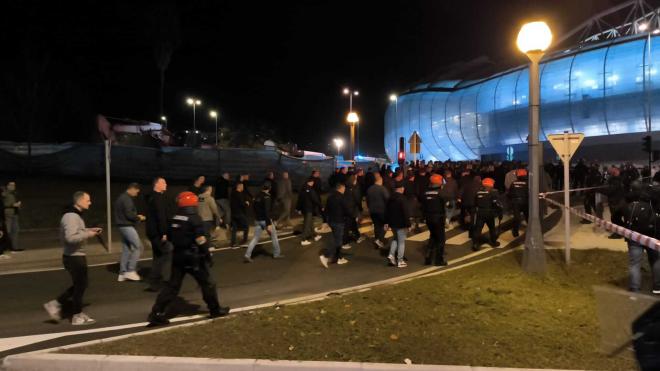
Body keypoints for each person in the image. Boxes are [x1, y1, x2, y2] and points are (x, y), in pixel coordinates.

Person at [147, 192, 230, 326]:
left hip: (178, 256)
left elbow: (168, 235)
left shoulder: (175, 218)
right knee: (208, 283)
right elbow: (200, 240)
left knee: (173, 286)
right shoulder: (195, 219)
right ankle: (215, 309)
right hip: (193, 258)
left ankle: (156, 313)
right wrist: (207, 255)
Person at [43, 191, 102, 325]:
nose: (90, 203)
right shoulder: (71, 216)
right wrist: (88, 234)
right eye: (88, 200)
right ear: (79, 201)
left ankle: (59, 305)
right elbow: (70, 238)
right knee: (80, 285)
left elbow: (77, 232)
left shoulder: (75, 216)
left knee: (81, 285)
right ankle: (75, 316)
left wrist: (89, 230)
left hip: (77, 255)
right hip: (73, 257)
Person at [622, 185, 660, 295]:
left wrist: (623, 228)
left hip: (634, 238)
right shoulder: (655, 207)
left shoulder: (628, 206)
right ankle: (657, 287)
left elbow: (616, 216)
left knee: (635, 263)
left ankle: (635, 288)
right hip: (652, 238)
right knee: (656, 261)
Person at [244, 183, 284, 262]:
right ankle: (277, 254)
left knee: (255, 238)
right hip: (265, 221)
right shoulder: (267, 197)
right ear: (269, 188)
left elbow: (254, 209)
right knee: (274, 237)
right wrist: (268, 224)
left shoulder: (256, 196)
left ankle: (247, 254)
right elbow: (267, 211)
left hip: (257, 220)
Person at [146, 177, 173, 292]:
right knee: (166, 253)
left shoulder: (152, 197)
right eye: (164, 182)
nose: (166, 184)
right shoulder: (158, 199)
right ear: (157, 184)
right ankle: (159, 281)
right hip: (158, 233)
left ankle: (155, 282)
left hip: (152, 232)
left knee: (158, 256)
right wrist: (164, 233)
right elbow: (161, 217)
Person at [114, 183, 146, 282]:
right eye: (137, 191)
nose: (137, 193)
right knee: (139, 247)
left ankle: (122, 273)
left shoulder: (121, 197)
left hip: (121, 226)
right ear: (132, 189)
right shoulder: (127, 199)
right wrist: (138, 217)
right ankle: (130, 270)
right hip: (127, 226)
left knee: (127, 249)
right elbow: (129, 214)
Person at [320, 182, 352, 268]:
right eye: (344, 188)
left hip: (331, 221)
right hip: (339, 221)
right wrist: (352, 216)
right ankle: (326, 255)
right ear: (341, 188)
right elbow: (347, 210)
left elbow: (326, 209)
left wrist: (325, 221)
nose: (344, 190)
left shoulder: (330, 197)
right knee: (338, 242)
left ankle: (338, 258)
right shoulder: (341, 198)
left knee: (336, 239)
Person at [422, 174, 448, 266]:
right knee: (441, 239)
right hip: (438, 218)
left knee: (432, 237)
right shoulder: (441, 193)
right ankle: (439, 259)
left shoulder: (425, 193)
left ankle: (428, 258)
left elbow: (423, 205)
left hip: (428, 218)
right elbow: (447, 204)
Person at [472, 178, 503, 251]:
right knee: (492, 228)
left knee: (478, 229)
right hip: (489, 213)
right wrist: (499, 211)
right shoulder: (492, 193)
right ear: (490, 185)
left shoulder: (478, 193)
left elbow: (475, 203)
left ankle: (475, 244)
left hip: (480, 212)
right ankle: (493, 242)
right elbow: (496, 204)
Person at [385, 180, 411, 268]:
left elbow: (387, 211)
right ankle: (400, 260)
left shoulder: (390, 198)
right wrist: (408, 224)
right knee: (401, 242)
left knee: (395, 239)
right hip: (401, 223)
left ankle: (391, 255)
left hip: (392, 223)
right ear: (401, 189)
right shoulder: (403, 199)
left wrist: (387, 222)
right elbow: (405, 212)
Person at [297, 177, 323, 246]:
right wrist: (321, 206)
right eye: (313, 182)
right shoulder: (310, 190)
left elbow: (300, 199)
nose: (313, 183)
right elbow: (315, 199)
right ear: (311, 182)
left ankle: (315, 236)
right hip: (309, 209)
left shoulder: (303, 189)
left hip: (304, 209)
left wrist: (298, 208)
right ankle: (303, 239)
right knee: (307, 225)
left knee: (310, 223)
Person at [366, 172, 389, 249]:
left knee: (376, 226)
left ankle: (377, 240)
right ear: (380, 180)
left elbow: (367, 200)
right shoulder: (382, 189)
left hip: (373, 211)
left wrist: (369, 208)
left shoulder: (369, 189)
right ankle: (380, 239)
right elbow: (387, 200)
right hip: (382, 211)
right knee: (386, 225)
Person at [508, 169, 529, 238]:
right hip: (525, 202)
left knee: (517, 218)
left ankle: (515, 232)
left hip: (516, 203)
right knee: (528, 217)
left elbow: (509, 194)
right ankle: (530, 230)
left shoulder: (513, 183)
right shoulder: (528, 183)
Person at [2, 181, 22, 252]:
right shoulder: (4, 193)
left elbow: (16, 202)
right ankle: (5, 247)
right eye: (11, 185)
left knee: (15, 231)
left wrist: (18, 204)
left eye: (14, 185)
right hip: (8, 214)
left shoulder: (15, 193)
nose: (13, 186)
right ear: (7, 186)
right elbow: (3, 204)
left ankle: (14, 247)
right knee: (7, 231)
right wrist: (12, 205)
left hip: (15, 214)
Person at [230, 182, 250, 248]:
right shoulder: (239, 194)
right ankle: (244, 241)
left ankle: (233, 243)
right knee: (246, 226)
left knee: (234, 229)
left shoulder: (232, 194)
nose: (243, 188)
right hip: (239, 213)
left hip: (233, 214)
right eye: (242, 186)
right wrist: (246, 203)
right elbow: (242, 204)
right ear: (239, 186)